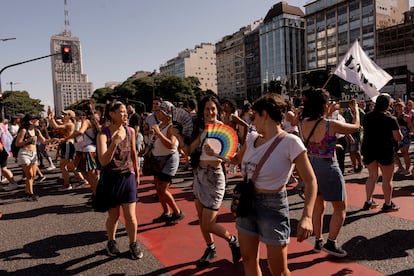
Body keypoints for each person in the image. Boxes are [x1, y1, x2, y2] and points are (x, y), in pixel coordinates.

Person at [230, 94, 317, 276]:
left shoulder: (290, 142)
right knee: (248, 259)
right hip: (247, 203)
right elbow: (235, 159)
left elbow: (310, 181)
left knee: (278, 270)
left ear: (265, 115)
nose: (252, 121)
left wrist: (307, 216)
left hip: (273, 206)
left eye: (254, 116)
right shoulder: (252, 138)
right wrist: (216, 152)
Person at [300, 88, 360, 258]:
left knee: (318, 205)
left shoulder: (303, 122)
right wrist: (355, 110)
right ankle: (331, 243)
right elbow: (355, 127)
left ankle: (318, 240)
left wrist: (328, 110)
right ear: (325, 105)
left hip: (310, 165)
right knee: (340, 207)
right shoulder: (330, 124)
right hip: (328, 166)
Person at [187, 95, 241, 268]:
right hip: (199, 176)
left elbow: (232, 159)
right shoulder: (201, 129)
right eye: (207, 109)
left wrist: (216, 154)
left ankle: (232, 240)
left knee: (208, 223)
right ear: (202, 112)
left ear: (217, 110)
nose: (210, 112)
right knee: (201, 216)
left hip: (215, 177)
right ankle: (210, 248)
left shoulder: (223, 129)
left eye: (213, 109)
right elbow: (189, 149)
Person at [96, 100, 142, 260]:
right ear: (111, 114)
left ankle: (133, 244)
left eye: (125, 111)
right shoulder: (103, 134)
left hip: (128, 176)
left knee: (130, 215)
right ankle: (111, 241)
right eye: (121, 111)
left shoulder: (130, 131)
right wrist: (115, 142)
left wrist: (137, 172)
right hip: (111, 178)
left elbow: (134, 152)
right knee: (114, 216)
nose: (125, 114)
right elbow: (103, 161)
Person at [362, 94, 403, 212]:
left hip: (369, 149)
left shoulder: (367, 116)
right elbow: (398, 137)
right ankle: (388, 203)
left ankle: (368, 201)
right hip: (385, 150)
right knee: (387, 179)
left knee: (372, 176)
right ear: (388, 105)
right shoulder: (391, 119)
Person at [150, 101, 184, 225]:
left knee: (162, 189)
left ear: (167, 113)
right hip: (158, 159)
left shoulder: (172, 126)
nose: (158, 113)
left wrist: (158, 133)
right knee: (158, 189)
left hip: (169, 159)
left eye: (161, 111)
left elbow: (171, 144)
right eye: (158, 111)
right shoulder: (161, 124)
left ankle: (177, 212)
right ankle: (166, 212)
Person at [48, 109, 87, 190]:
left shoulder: (69, 124)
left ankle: (67, 184)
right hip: (66, 145)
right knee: (70, 165)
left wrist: (51, 117)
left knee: (62, 165)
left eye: (65, 114)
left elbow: (56, 126)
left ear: (69, 116)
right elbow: (53, 124)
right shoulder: (66, 123)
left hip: (68, 144)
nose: (63, 115)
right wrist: (50, 117)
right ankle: (81, 180)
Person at [15, 114, 48, 201]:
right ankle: (31, 194)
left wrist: (54, 140)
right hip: (24, 153)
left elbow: (44, 141)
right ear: (31, 121)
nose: (38, 121)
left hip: (33, 154)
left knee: (32, 175)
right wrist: (27, 140)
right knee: (29, 174)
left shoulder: (37, 131)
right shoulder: (23, 131)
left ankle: (26, 192)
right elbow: (17, 143)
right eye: (36, 119)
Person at [342, 101, 365, 173]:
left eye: (354, 104)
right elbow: (344, 121)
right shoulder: (346, 112)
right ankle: (354, 166)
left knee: (356, 150)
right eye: (351, 104)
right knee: (351, 151)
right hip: (348, 133)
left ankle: (360, 164)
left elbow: (364, 122)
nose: (352, 106)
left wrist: (362, 127)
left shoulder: (360, 112)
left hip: (356, 134)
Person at [393, 101, 412, 175]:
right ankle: (400, 167)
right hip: (395, 134)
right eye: (397, 108)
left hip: (404, 135)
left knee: (405, 153)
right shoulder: (394, 116)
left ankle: (407, 169)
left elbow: (410, 127)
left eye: (400, 107)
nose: (399, 109)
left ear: (403, 108)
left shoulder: (406, 117)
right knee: (393, 152)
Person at [0, 115, 18, 191]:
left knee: (3, 168)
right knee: (4, 168)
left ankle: (13, 183)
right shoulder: (3, 126)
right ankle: (13, 183)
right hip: (5, 149)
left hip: (1, 149)